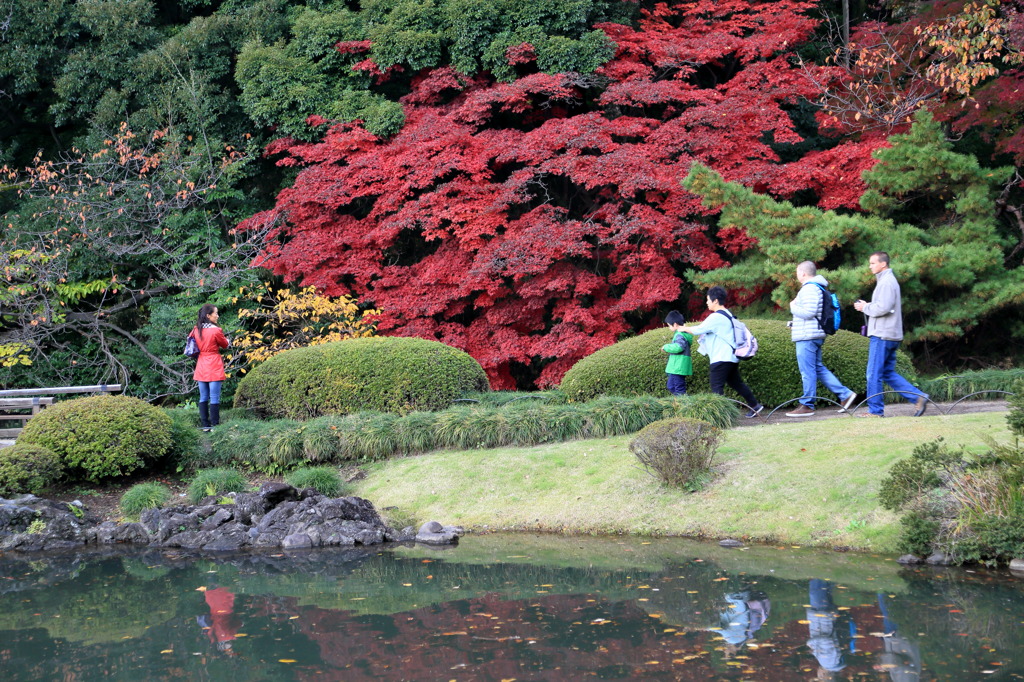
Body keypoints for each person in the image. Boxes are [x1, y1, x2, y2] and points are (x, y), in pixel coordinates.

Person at [853, 252, 928, 418]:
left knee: (873, 374)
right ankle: (918, 397)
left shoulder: (886, 282)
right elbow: (884, 305)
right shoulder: (886, 280)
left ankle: (875, 411)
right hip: (890, 335)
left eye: (873, 263)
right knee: (887, 373)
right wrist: (868, 305)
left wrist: (865, 307)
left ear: (883, 264)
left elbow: (884, 308)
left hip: (882, 335)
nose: (870, 266)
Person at [786, 261, 857, 417]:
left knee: (807, 371)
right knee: (817, 368)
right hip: (813, 334)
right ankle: (845, 394)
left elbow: (809, 312)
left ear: (803, 273)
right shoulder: (817, 287)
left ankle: (807, 405)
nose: (797, 275)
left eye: (797, 272)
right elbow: (812, 314)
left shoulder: (809, 288)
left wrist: (792, 306)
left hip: (807, 337)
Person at [681, 286, 764, 418]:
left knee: (716, 387)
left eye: (708, 299)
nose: (707, 302)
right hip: (731, 357)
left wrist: (682, 328)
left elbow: (698, 330)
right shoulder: (728, 314)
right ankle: (755, 406)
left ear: (715, 301)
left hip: (721, 357)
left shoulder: (716, 317)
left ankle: (720, 415)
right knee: (736, 383)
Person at [190, 304, 230, 432]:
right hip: (214, 364)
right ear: (208, 315)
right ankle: (215, 425)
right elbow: (225, 345)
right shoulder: (216, 330)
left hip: (201, 364)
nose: (217, 316)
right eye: (215, 313)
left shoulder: (196, 329)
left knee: (203, 397)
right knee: (214, 397)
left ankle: (205, 425)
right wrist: (228, 341)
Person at [662, 310, 694, 396]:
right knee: (671, 386)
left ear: (675, 324)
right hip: (677, 366)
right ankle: (679, 401)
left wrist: (666, 347)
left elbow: (679, 347)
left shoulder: (680, 334)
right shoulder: (681, 333)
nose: (669, 328)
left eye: (669, 325)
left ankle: (683, 402)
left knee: (679, 389)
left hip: (678, 366)